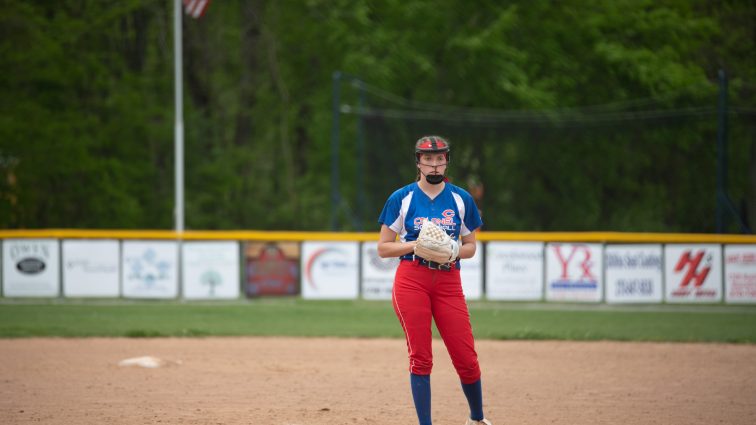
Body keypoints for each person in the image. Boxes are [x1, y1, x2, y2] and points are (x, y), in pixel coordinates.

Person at [377, 135, 492, 425]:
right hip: (412, 278)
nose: (434, 164)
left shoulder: (460, 198)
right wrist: (414, 245)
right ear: (418, 162)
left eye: (440, 158)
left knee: (466, 358)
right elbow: (383, 247)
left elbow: (470, 246)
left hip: (448, 281)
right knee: (421, 357)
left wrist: (454, 250)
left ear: (447, 161)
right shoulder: (401, 198)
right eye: (428, 158)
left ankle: (476, 419)